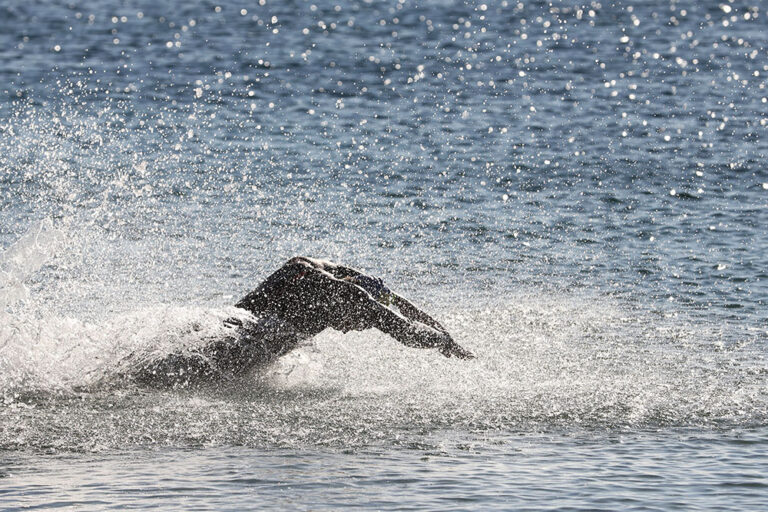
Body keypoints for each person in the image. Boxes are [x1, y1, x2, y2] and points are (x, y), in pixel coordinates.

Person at [132, 257, 473, 386]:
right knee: (201, 357)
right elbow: (406, 331)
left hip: (253, 333)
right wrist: (441, 343)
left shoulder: (354, 286)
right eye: (356, 322)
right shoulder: (346, 293)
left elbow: (405, 308)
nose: (349, 329)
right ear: (349, 297)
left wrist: (448, 338)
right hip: (239, 335)